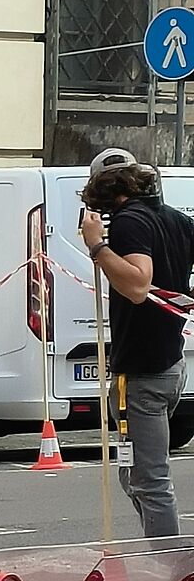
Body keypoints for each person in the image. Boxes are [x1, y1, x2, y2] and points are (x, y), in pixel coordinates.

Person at [79, 159, 194, 538]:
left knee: (150, 481)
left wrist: (97, 245)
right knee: (133, 474)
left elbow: (137, 284)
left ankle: (169, 573)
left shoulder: (129, 221)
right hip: (170, 362)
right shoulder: (176, 220)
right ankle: (164, 558)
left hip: (142, 372)